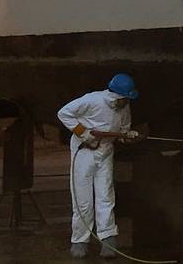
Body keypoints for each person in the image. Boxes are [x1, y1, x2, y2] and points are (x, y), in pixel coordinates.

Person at [58, 73, 141, 259]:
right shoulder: (93, 100)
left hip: (105, 153)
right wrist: (84, 134)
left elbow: (123, 131)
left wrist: (128, 136)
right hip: (83, 153)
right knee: (83, 201)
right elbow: (64, 113)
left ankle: (108, 239)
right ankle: (80, 240)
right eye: (125, 98)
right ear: (116, 96)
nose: (127, 102)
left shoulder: (124, 107)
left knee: (106, 197)